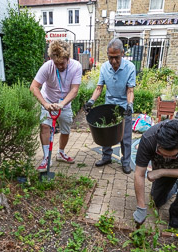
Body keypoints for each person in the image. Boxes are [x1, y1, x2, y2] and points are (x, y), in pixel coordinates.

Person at [133, 119, 178, 229]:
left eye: (172, 156)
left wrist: (162, 172)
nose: (165, 158)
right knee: (157, 201)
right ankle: (175, 185)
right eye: (160, 153)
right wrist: (140, 207)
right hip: (163, 173)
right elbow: (139, 174)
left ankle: (177, 213)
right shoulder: (149, 138)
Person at [85, 38, 136, 174]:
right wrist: (91, 101)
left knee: (125, 138)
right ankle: (106, 157)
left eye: (117, 58)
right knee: (106, 133)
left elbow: (130, 90)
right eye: (110, 57)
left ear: (122, 54)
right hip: (110, 105)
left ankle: (125, 163)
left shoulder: (130, 67)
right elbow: (99, 88)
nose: (113, 61)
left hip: (124, 107)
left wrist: (129, 105)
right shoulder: (104, 67)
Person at [30, 40, 82, 172]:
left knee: (65, 129)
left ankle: (61, 153)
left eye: (62, 63)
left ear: (67, 58)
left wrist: (62, 104)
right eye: (56, 63)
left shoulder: (76, 66)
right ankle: (46, 158)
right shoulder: (47, 66)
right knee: (44, 126)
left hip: (64, 103)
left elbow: (74, 90)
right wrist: (45, 104)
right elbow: (34, 87)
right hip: (48, 99)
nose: (59, 66)